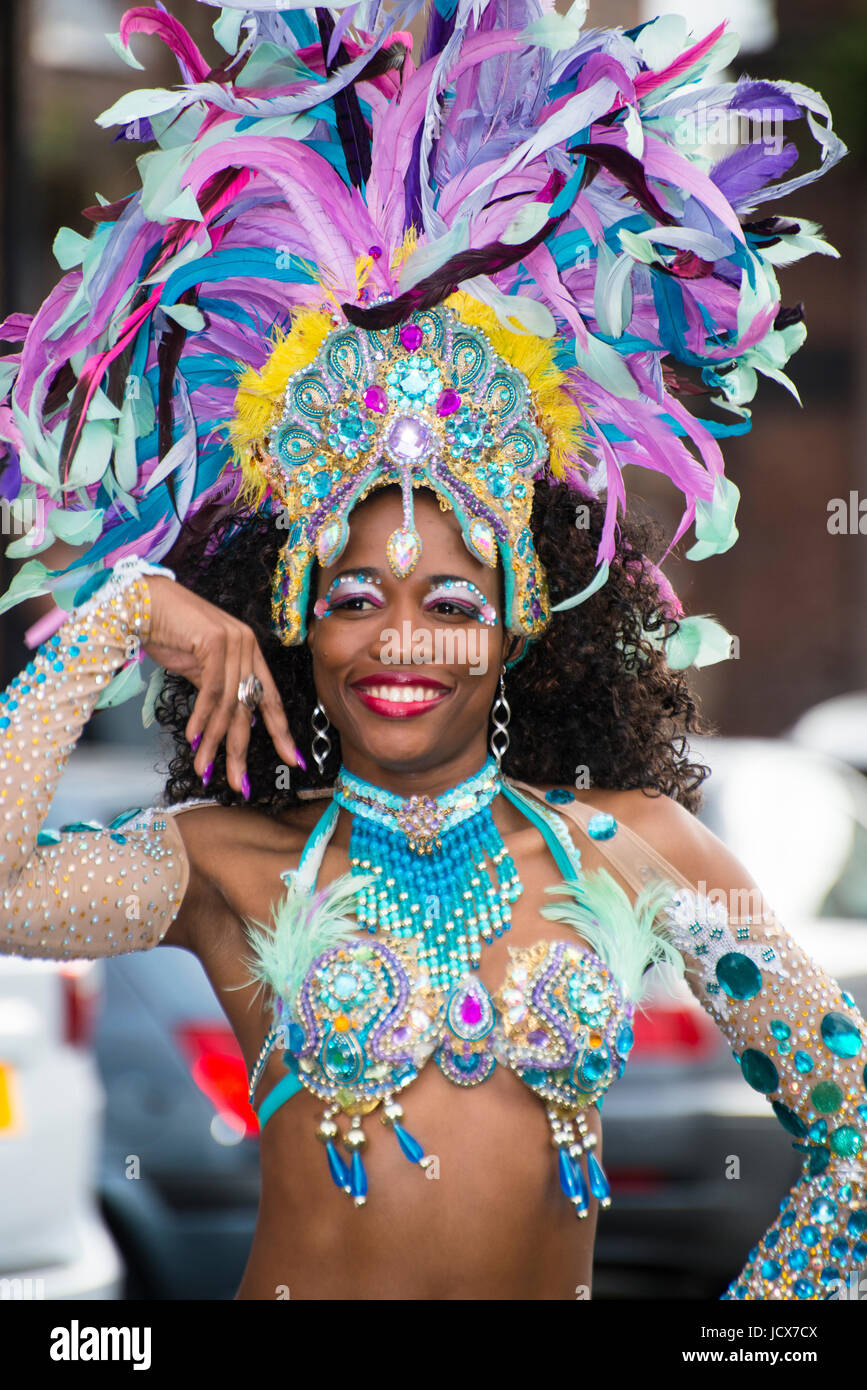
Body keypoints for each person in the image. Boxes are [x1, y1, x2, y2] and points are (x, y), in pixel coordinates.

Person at [0, 1, 863, 1302]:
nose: (398, 637)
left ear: (527, 620)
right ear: (292, 611)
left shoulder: (640, 852)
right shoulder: (228, 862)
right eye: (356, 594)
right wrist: (126, 610)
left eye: (452, 602)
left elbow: (853, 1131)